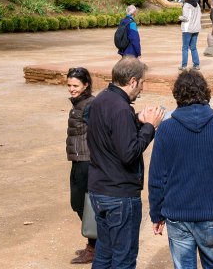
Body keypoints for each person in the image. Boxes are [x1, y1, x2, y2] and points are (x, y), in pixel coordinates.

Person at [148, 70, 213, 269]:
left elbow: (156, 178)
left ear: (177, 95)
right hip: (211, 211)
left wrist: (156, 214)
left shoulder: (166, 129)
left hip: (177, 213)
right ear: (206, 92)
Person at [87, 57, 165, 269]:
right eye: (141, 83)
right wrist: (149, 127)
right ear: (132, 81)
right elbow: (129, 154)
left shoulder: (102, 99)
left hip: (100, 190)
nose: (142, 88)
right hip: (119, 195)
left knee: (104, 253)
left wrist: (136, 119)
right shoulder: (121, 109)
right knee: (123, 258)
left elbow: (112, 136)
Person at [66, 68, 98, 263]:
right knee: (78, 204)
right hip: (78, 160)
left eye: (75, 85)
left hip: (87, 161)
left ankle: (95, 247)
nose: (71, 89)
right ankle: (94, 244)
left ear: (86, 85)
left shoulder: (90, 105)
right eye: (69, 85)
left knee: (86, 206)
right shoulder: (79, 104)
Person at [180, 0, 202, 71]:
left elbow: (185, 17)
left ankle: (184, 66)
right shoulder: (197, 4)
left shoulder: (186, 5)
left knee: (185, 48)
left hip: (187, 29)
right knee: (193, 47)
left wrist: (179, 17)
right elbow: (200, 15)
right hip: (196, 28)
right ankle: (196, 65)